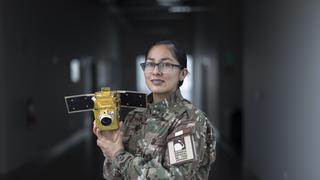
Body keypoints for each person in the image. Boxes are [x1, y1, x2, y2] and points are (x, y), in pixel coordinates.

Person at [93, 40, 216, 179]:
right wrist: (111, 146)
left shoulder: (190, 119)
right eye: (150, 64)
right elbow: (112, 176)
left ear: (183, 74)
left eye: (166, 64)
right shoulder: (134, 116)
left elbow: (174, 178)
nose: (156, 71)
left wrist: (118, 155)